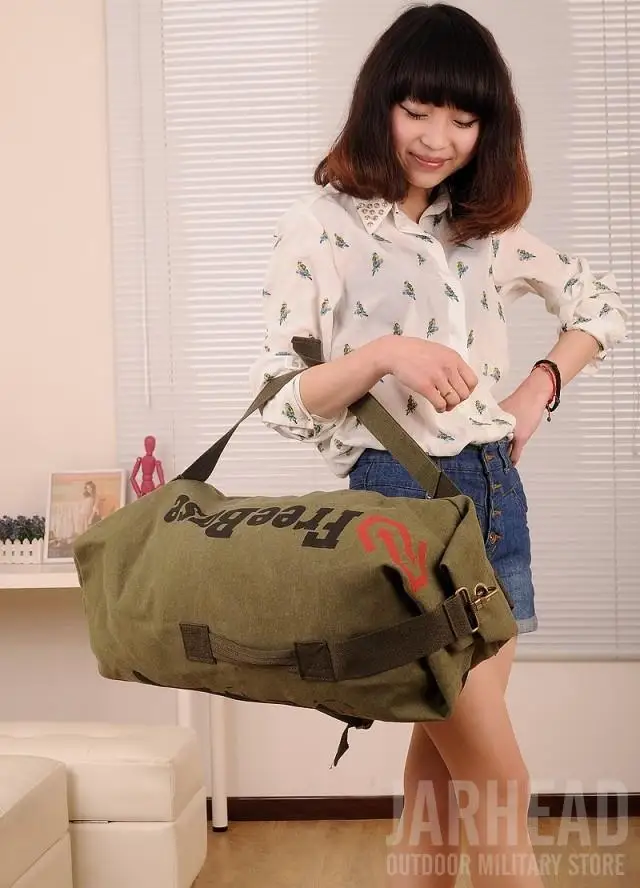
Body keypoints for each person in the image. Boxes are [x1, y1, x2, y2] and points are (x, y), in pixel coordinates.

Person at [250, 4, 628, 886]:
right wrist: (385, 354)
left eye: (463, 120)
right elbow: (280, 399)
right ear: (380, 103)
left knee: (443, 785)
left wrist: (539, 387)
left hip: (494, 500)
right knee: (499, 783)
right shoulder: (323, 226)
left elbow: (601, 304)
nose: (437, 139)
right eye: (418, 110)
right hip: (399, 507)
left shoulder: (483, 232)